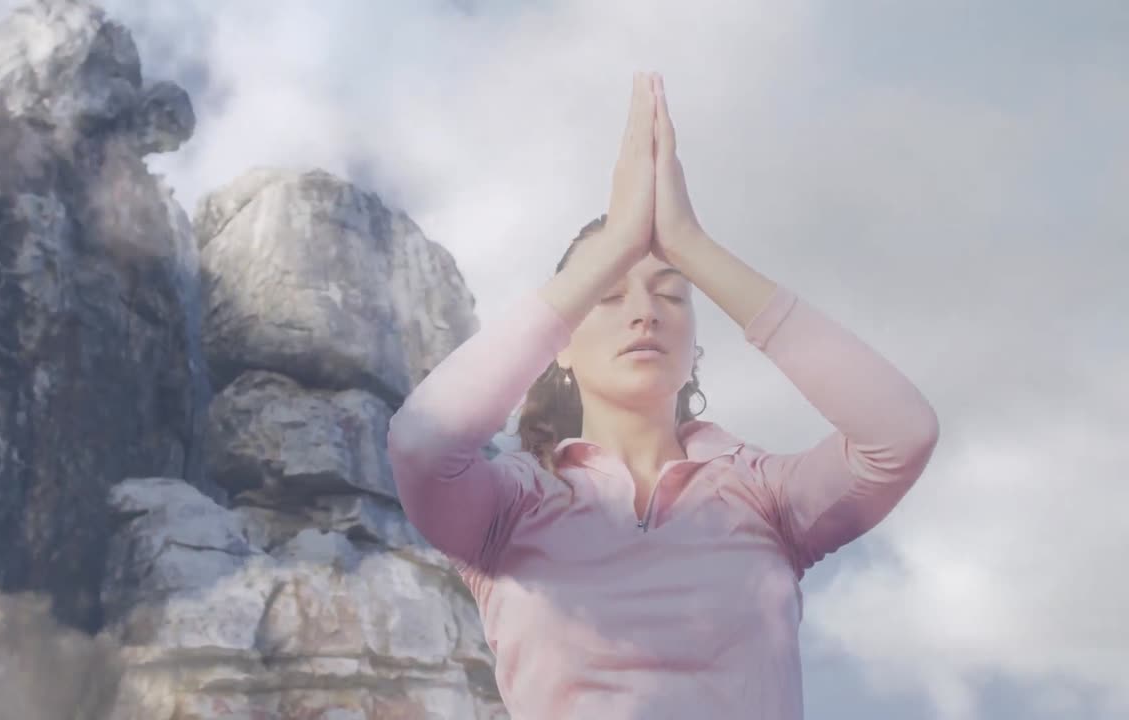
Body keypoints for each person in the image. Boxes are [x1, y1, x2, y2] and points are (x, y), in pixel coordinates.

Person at [386, 71, 940, 719]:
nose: (645, 314)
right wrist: (620, 239)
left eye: (672, 295)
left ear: (695, 346)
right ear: (558, 347)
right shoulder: (510, 506)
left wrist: (691, 245)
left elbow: (900, 434)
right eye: (611, 297)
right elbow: (421, 444)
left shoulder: (766, 496)